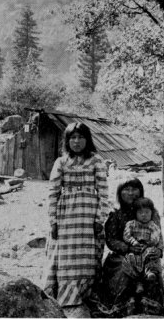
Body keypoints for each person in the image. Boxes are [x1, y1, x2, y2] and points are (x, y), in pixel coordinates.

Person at [43, 122, 109, 315]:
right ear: (67, 140)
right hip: (67, 216)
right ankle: (65, 296)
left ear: (87, 140)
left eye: (81, 137)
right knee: (66, 256)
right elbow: (53, 193)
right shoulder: (61, 162)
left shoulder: (96, 161)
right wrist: (53, 221)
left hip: (89, 216)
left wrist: (100, 218)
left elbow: (104, 192)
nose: (77, 141)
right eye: (73, 138)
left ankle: (85, 293)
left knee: (87, 255)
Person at [98, 179, 164, 316]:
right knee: (124, 270)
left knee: (152, 270)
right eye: (126, 189)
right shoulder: (116, 215)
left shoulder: (150, 211)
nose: (130, 193)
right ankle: (125, 306)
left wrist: (158, 250)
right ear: (119, 193)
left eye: (134, 189)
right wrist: (127, 248)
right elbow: (111, 240)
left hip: (146, 252)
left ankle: (149, 306)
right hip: (121, 255)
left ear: (141, 191)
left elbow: (158, 234)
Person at [123, 197, 164, 297]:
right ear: (135, 213)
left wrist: (150, 243)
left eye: (147, 212)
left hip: (147, 247)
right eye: (140, 212)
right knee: (130, 259)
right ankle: (138, 282)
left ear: (151, 213)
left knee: (151, 255)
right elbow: (126, 235)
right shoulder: (131, 224)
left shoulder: (152, 225)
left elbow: (156, 235)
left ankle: (150, 273)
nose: (144, 215)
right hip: (135, 248)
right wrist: (133, 242)